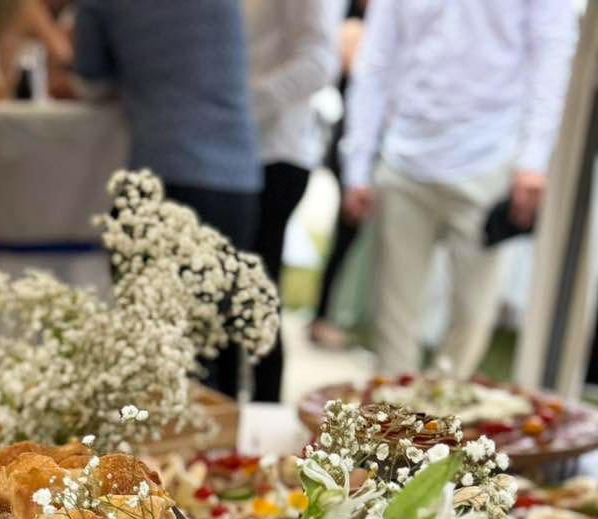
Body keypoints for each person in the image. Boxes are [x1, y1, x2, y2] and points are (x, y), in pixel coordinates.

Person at [341, 0, 577, 378]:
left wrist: (533, 160)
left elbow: (552, 52)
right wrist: (357, 164)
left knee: (472, 318)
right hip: (404, 159)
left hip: (488, 158)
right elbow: (376, 57)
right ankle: (394, 413)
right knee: (392, 320)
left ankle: (445, 407)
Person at [73, 0, 261, 395]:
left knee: (153, 354)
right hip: (237, 175)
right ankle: (225, 433)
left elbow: (92, 84)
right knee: (222, 347)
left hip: (163, 170)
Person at [243, 0, 339, 401]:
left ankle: (264, 412)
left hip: (276, 151)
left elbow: (319, 62)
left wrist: (243, 105)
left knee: (258, 295)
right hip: (237, 148)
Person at [308, 0, 366, 352]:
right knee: (345, 235)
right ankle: (323, 316)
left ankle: (334, 314)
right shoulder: (353, 28)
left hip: (364, 145)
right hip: (351, 144)